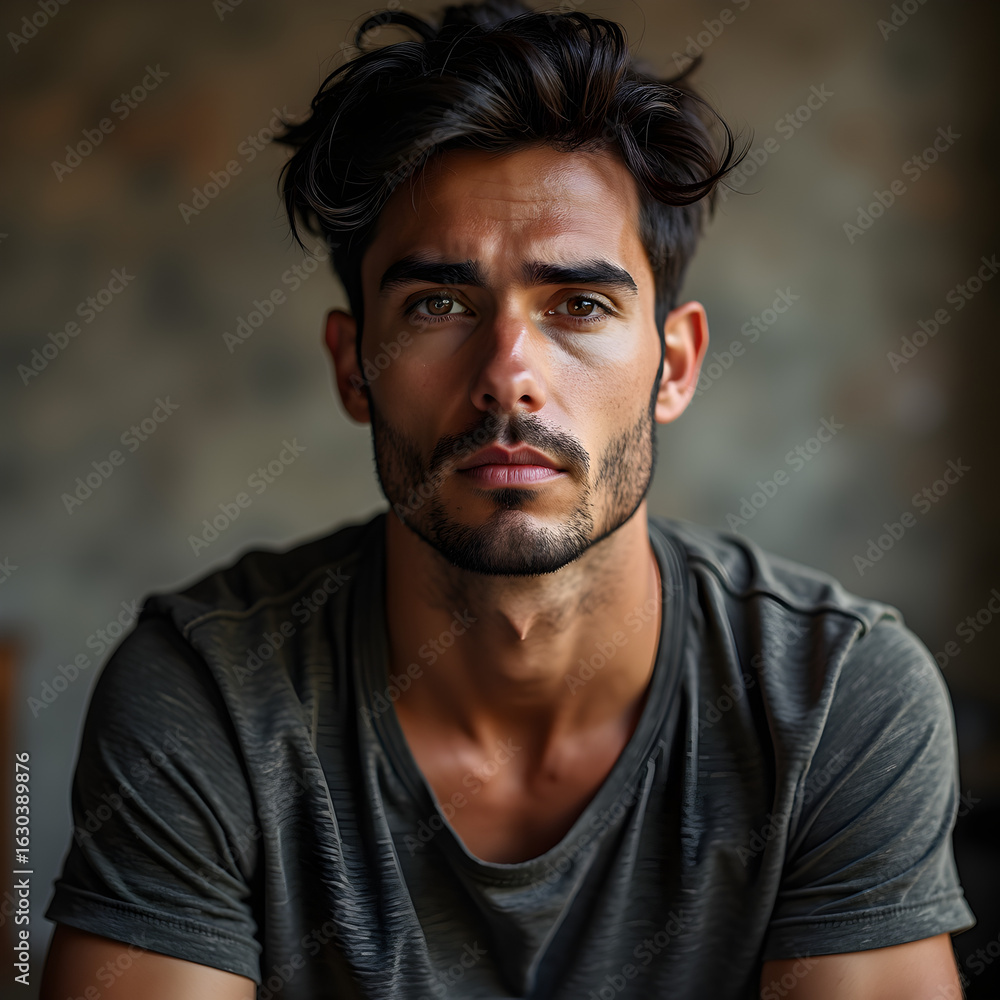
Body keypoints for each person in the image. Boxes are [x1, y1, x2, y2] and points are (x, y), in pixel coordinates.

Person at [40, 2, 975, 997]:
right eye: (438, 304)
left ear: (674, 363)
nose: (508, 375)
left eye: (578, 305)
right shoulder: (211, 696)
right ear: (355, 368)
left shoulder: (838, 699)